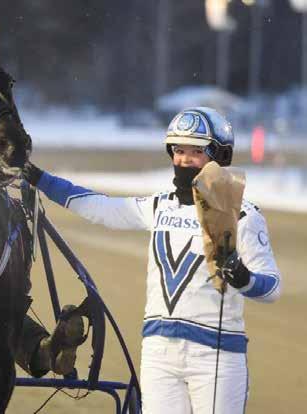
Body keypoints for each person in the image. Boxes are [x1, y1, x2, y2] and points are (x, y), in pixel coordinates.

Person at [23, 107, 282, 413]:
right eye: (179, 150)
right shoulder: (159, 206)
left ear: (219, 156)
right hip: (159, 355)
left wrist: (243, 278)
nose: (184, 160)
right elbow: (100, 207)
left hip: (216, 358)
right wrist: (37, 177)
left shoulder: (244, 216)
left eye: (196, 152)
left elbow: (272, 288)